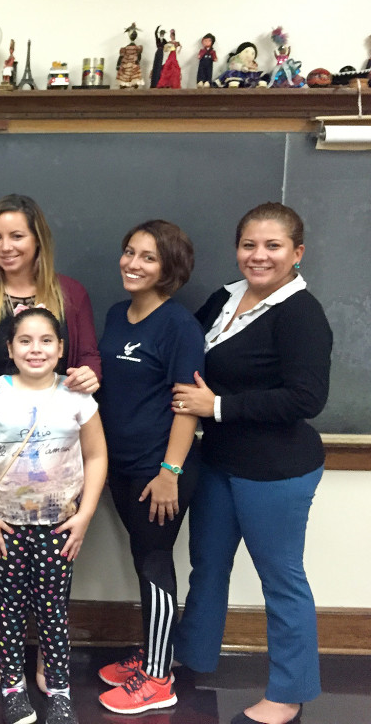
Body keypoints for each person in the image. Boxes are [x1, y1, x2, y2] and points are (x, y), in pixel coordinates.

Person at [172, 203, 331, 724]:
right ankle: (190, 662)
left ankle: (288, 694)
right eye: (249, 245)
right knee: (208, 567)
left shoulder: (301, 314)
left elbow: (305, 400)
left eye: (273, 246)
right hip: (219, 461)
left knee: (280, 578)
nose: (258, 256)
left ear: (297, 253)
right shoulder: (226, 296)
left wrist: (215, 406)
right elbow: (186, 354)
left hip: (277, 471)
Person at [0, 193, 101, 689]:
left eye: (16, 235)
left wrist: (86, 375)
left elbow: (89, 360)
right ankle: (6, 644)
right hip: (1, 457)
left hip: (56, 455)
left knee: (53, 561)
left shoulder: (70, 294)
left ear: (38, 239)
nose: (6, 246)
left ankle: (47, 653)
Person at [0, 307, 107, 724]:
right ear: (9, 348)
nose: (35, 349)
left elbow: (96, 456)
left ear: (61, 348)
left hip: (59, 524)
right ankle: (12, 688)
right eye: (24, 341)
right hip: (4, 525)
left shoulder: (77, 396)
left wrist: (85, 516)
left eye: (46, 340)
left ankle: (59, 690)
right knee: (9, 609)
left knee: (53, 610)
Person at [94, 221, 205, 714]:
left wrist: (170, 472)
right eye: (129, 251)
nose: (132, 264)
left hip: (159, 471)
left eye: (148, 258)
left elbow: (187, 405)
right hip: (120, 467)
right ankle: (154, 654)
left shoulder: (180, 326)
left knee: (155, 562)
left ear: (170, 269)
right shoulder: (118, 314)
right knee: (144, 557)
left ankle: (159, 679)